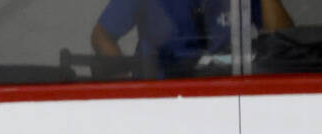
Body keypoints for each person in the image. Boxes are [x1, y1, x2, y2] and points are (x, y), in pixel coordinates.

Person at [91, 0, 294, 76]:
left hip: (226, 98)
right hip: (162, 99)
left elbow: (287, 39)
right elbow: (102, 36)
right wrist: (128, 91)